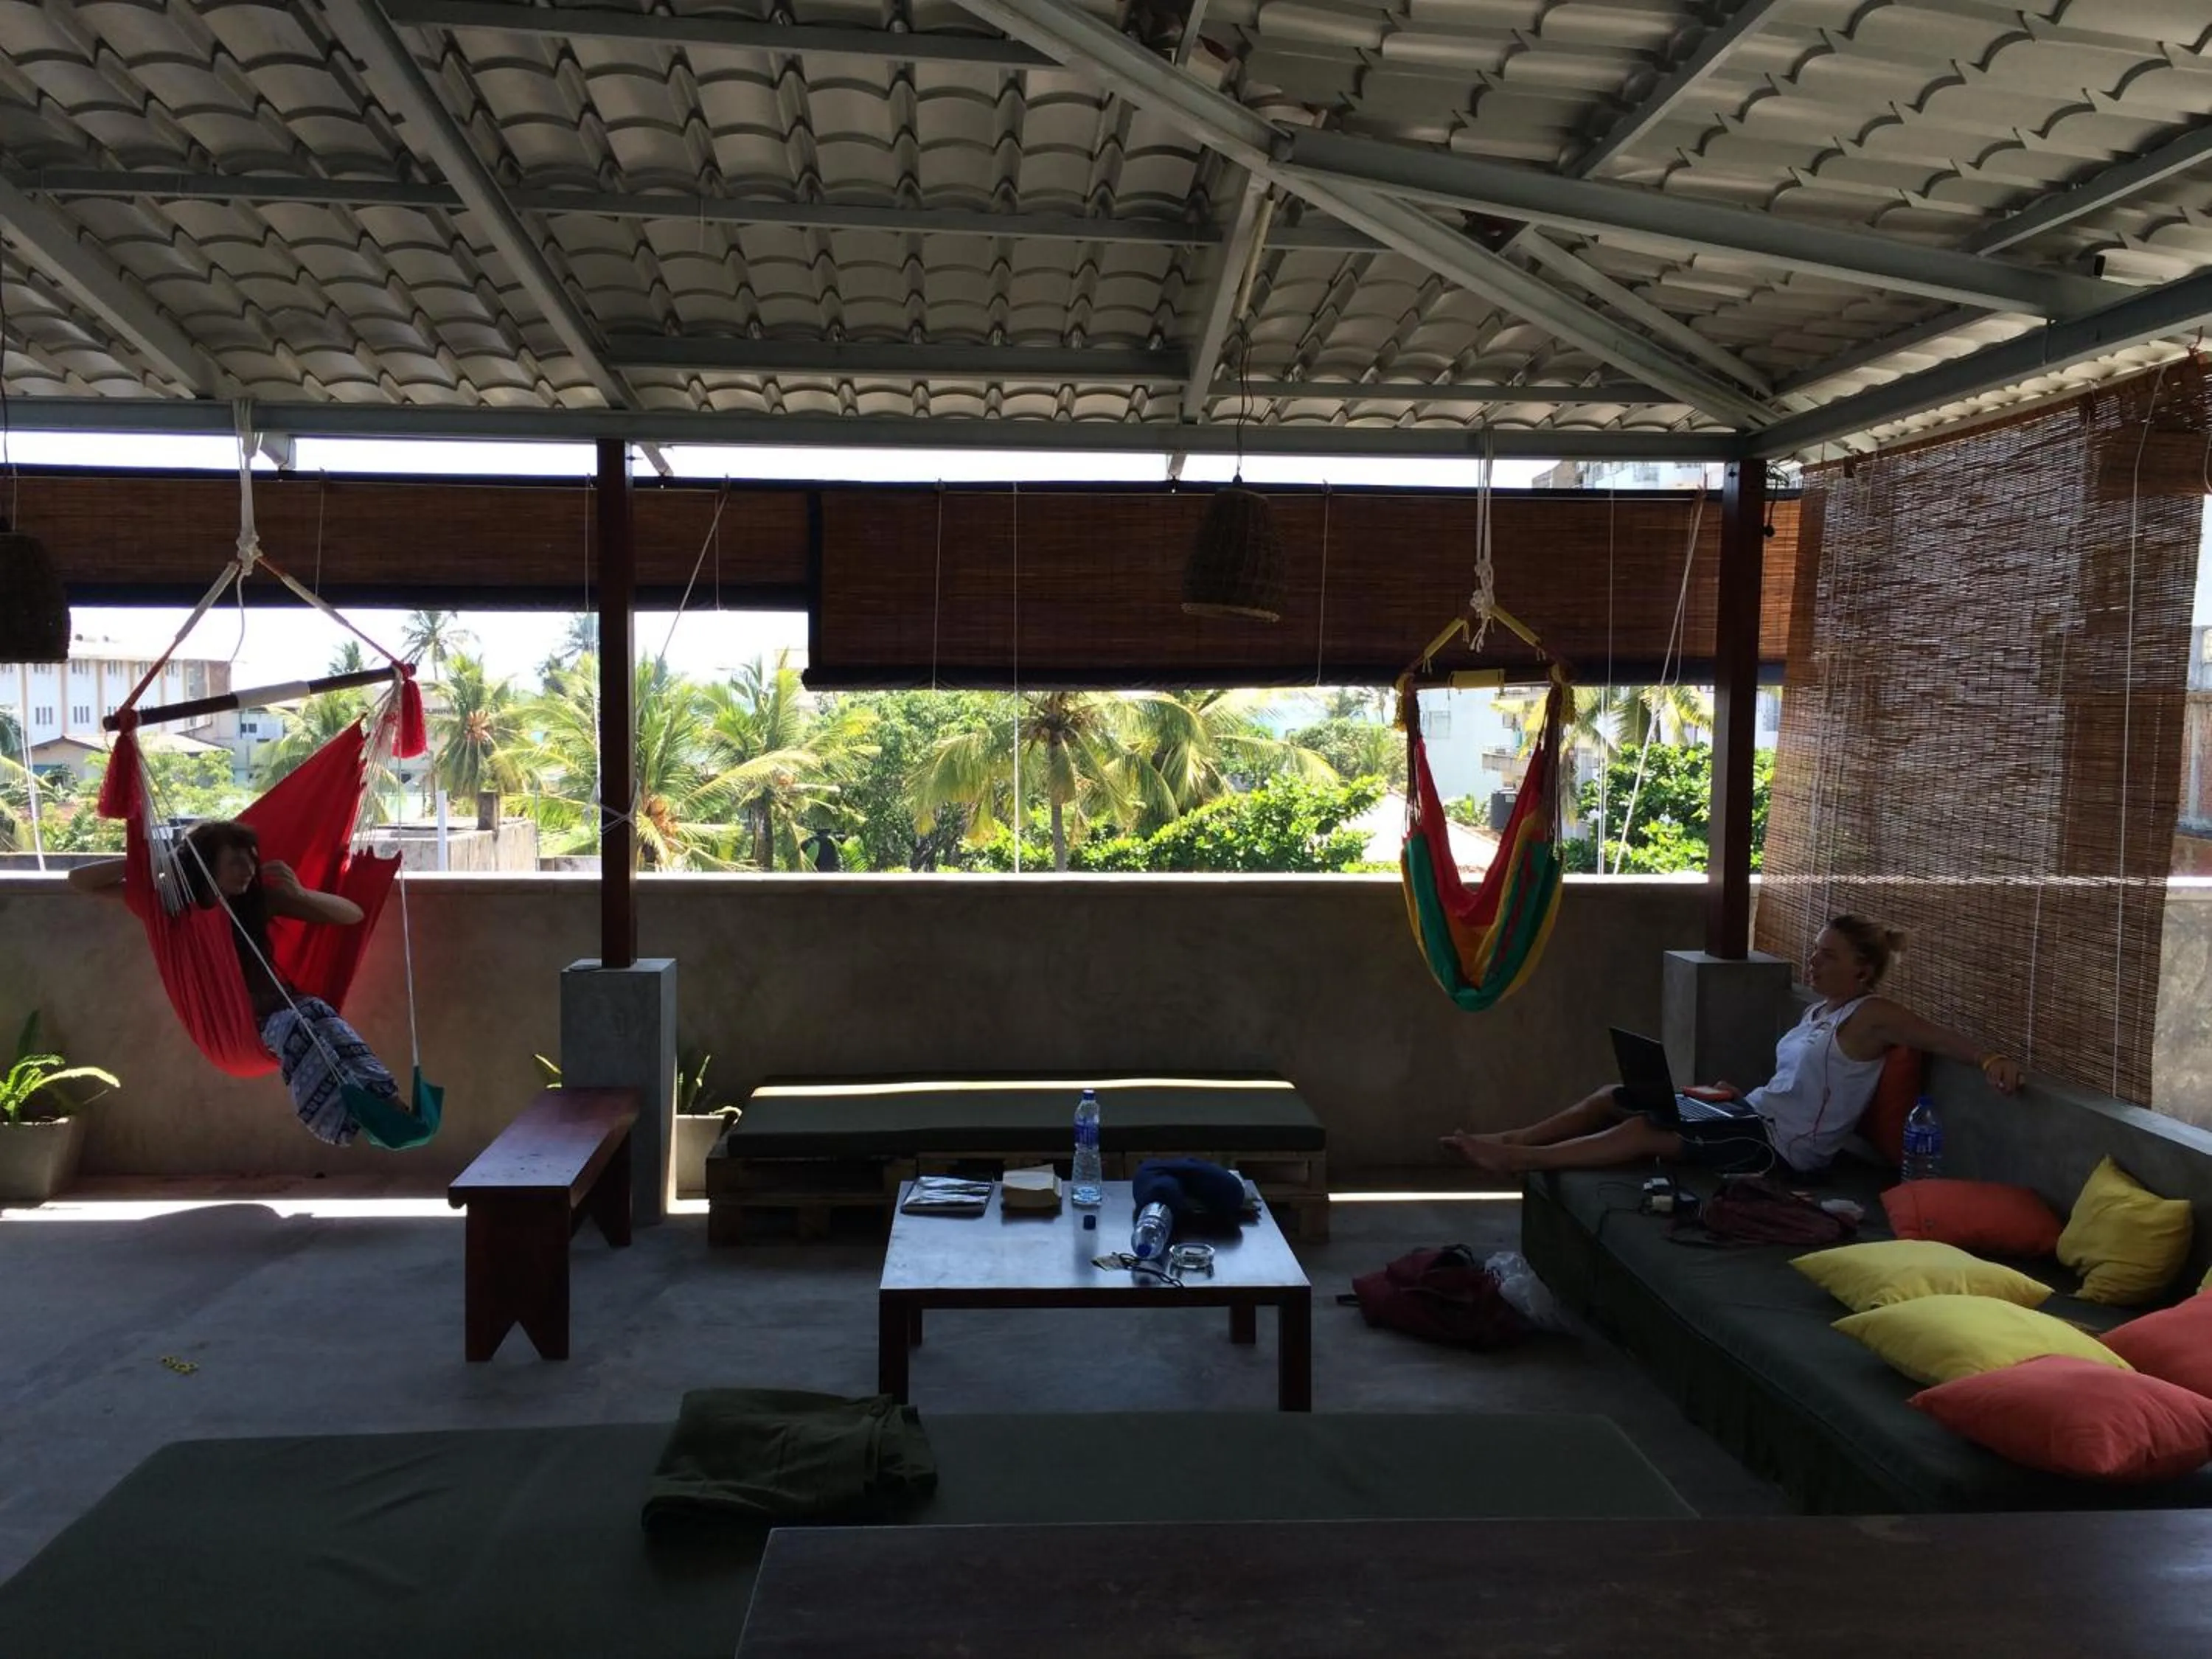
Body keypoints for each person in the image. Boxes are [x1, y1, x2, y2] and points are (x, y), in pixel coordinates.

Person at [1441, 914, 2025, 1178]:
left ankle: (1521, 1161)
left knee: (1647, 1131)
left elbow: (1934, 1036)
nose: (1815, 960)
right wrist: (1731, 1096)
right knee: (1615, 1094)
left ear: (1864, 970)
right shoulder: (1820, 1012)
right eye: (1817, 949)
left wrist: (1990, 1059)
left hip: (1780, 1152)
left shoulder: (1870, 1015)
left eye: (1829, 955)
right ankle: (1511, 1138)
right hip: (1750, 1114)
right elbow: (1797, 1085)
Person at [69, 820, 408, 1146]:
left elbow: (352, 914)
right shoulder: (170, 911)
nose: (248, 870)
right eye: (235, 862)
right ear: (205, 865)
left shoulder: (256, 904)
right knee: (296, 1025)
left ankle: (386, 1102)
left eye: (251, 860)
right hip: (245, 1027)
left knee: (319, 1012)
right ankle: (340, 1121)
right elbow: (80, 880)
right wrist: (148, 860)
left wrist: (301, 895)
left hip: (286, 1006)